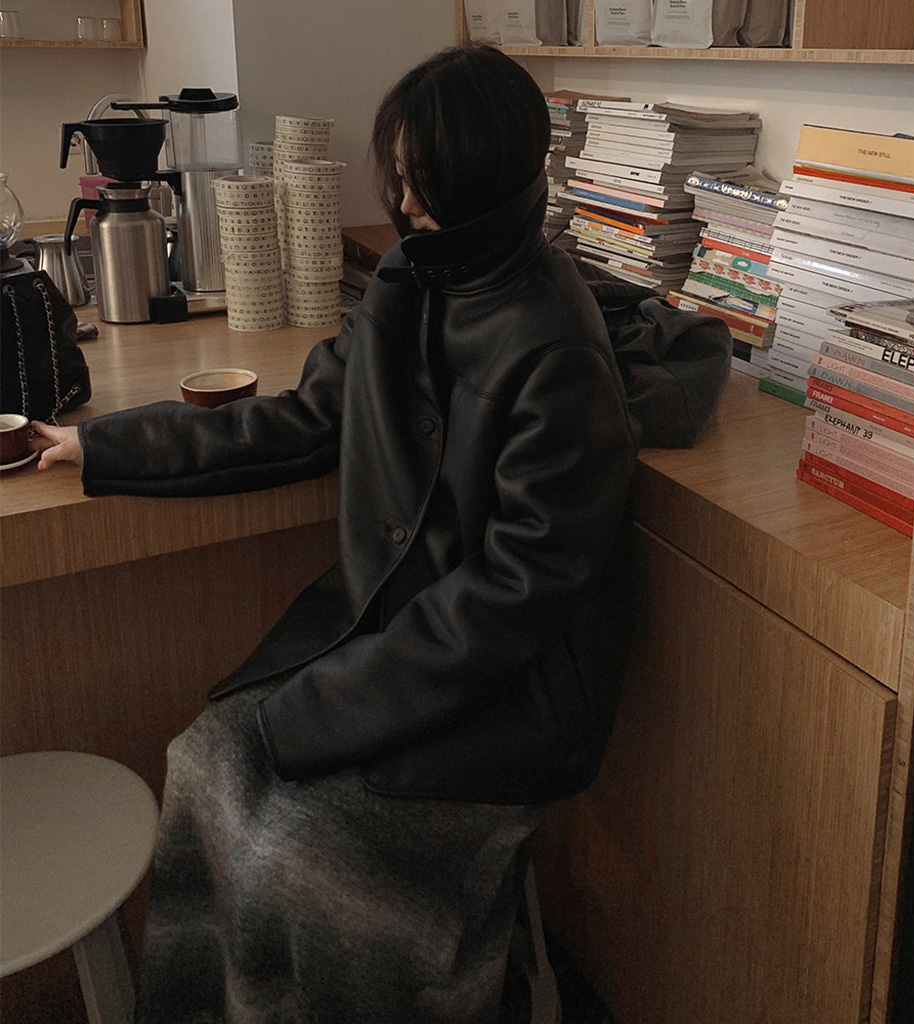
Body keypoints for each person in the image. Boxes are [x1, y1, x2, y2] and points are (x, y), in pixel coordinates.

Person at [33, 44, 643, 1023]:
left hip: (503, 699)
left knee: (292, 856)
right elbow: (306, 416)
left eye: (421, 179)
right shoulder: (415, 275)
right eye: (398, 171)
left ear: (482, 178)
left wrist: (318, 710)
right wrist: (100, 445)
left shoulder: (554, 345)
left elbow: (508, 601)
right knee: (202, 761)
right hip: (389, 641)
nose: (401, 198)